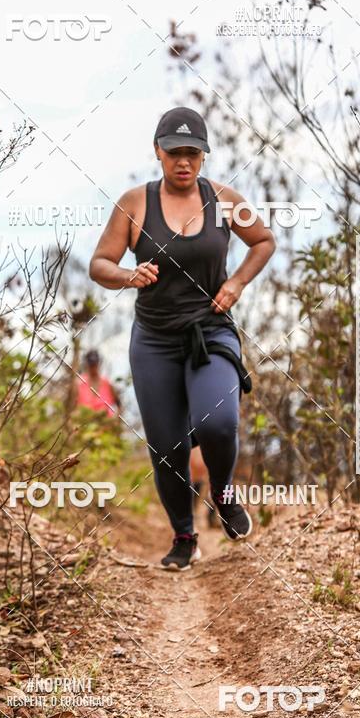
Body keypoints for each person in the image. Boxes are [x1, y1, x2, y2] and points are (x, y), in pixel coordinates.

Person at [89, 106, 276, 569]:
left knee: (217, 423)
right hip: (154, 341)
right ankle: (184, 537)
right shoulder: (134, 204)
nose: (184, 161)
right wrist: (128, 276)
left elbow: (264, 241)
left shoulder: (225, 200)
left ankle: (224, 495)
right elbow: (100, 264)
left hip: (210, 331)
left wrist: (237, 283)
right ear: (158, 151)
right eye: (174, 152)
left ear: (204, 155)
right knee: (168, 447)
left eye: (193, 152)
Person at [76, 349, 120, 414]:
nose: (93, 367)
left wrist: (116, 418)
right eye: (91, 365)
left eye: (95, 364)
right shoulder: (79, 384)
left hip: (105, 419)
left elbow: (119, 404)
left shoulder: (107, 384)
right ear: (87, 364)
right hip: (85, 419)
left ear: (98, 363)